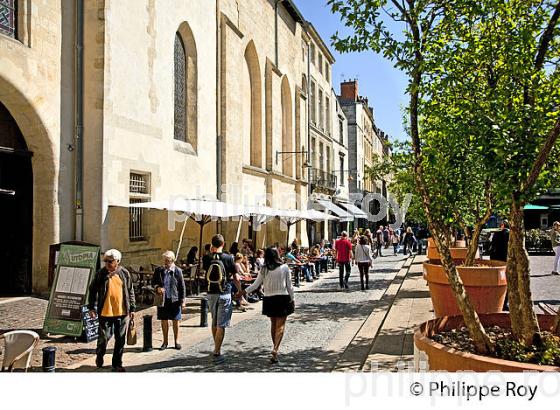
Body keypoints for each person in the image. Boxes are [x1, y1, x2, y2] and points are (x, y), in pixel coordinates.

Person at [237, 246, 294, 364]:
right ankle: (276, 349)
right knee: (281, 326)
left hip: (269, 299)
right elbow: (289, 286)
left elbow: (255, 285)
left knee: (273, 324)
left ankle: (275, 348)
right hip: (282, 297)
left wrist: (243, 292)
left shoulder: (264, 269)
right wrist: (292, 298)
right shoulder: (284, 268)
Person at [87, 249, 135, 372]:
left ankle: (117, 363)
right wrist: (91, 307)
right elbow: (92, 290)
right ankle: (99, 354)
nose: (107, 263)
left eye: (110, 261)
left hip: (122, 312)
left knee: (120, 339)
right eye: (106, 261)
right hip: (105, 312)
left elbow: (130, 291)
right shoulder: (101, 274)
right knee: (104, 338)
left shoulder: (124, 273)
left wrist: (133, 308)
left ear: (117, 261)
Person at [202, 234, 241, 364]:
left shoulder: (206, 258)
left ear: (212, 244)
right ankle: (217, 350)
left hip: (211, 293)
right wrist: (240, 291)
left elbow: (204, 273)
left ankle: (216, 347)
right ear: (223, 244)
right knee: (221, 324)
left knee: (214, 321)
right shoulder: (229, 257)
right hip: (225, 292)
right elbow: (236, 277)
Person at [152, 251, 186, 350]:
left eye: (168, 261)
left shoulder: (177, 271)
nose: (166, 263)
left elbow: (182, 286)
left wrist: (183, 301)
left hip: (174, 299)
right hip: (163, 299)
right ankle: (165, 341)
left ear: (172, 260)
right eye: (164, 261)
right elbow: (153, 282)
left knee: (176, 320)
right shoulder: (159, 270)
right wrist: (157, 287)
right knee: (164, 320)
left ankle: (176, 341)